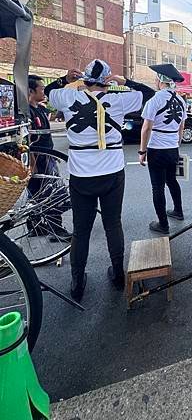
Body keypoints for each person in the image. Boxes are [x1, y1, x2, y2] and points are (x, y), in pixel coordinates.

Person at [45, 60, 154, 302]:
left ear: (83, 80)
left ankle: (77, 282)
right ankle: (117, 275)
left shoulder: (66, 96)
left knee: (81, 231)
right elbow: (149, 94)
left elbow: (46, 92)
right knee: (112, 223)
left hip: (81, 175)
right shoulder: (118, 99)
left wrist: (65, 79)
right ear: (106, 81)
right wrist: (123, 82)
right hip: (112, 172)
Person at [139, 64, 187, 235]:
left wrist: (142, 151)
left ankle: (163, 224)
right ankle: (178, 211)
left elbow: (146, 128)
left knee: (157, 187)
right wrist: (177, 144)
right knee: (172, 181)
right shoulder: (181, 100)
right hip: (173, 148)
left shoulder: (155, 100)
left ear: (160, 81)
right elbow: (181, 126)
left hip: (157, 149)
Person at [27, 75, 71, 242]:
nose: (44, 92)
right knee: (52, 195)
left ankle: (37, 226)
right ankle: (56, 229)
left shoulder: (39, 108)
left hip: (47, 157)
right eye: (41, 89)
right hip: (38, 160)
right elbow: (27, 141)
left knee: (38, 195)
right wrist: (32, 165)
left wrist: (64, 79)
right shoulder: (27, 112)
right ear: (31, 91)